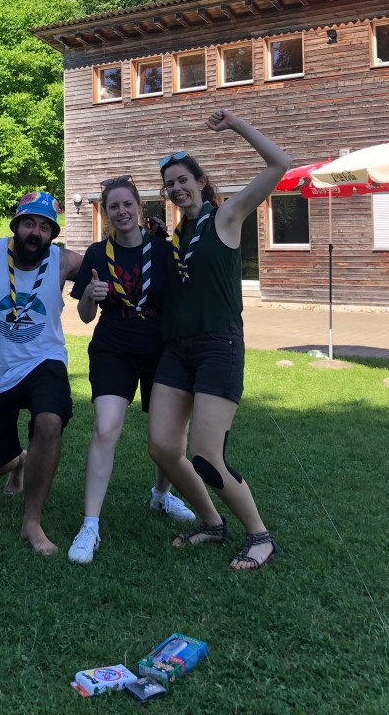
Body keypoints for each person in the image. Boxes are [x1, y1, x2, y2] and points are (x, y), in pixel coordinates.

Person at [147, 110, 290, 571]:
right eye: (169, 184)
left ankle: (260, 536)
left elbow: (279, 164)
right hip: (177, 349)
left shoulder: (226, 216)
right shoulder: (176, 235)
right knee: (162, 447)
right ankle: (211, 522)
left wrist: (237, 125)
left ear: (201, 181)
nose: (176, 188)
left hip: (218, 347)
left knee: (206, 457)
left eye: (183, 179)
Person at [66, 174, 195, 565]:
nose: (121, 211)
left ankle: (162, 495)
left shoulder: (163, 250)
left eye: (127, 204)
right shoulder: (96, 253)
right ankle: (90, 525)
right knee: (105, 428)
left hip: (161, 350)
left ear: (139, 207)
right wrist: (90, 296)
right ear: (106, 213)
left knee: (168, 436)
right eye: (113, 206)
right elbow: (84, 316)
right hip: (113, 348)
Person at [0, 191, 82, 556]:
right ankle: (19, 461)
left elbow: (109, 261)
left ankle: (31, 521)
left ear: (53, 234)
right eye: (29, 223)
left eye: (45, 227)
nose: (36, 233)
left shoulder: (63, 261)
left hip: (43, 360)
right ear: (16, 225)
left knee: (49, 421)